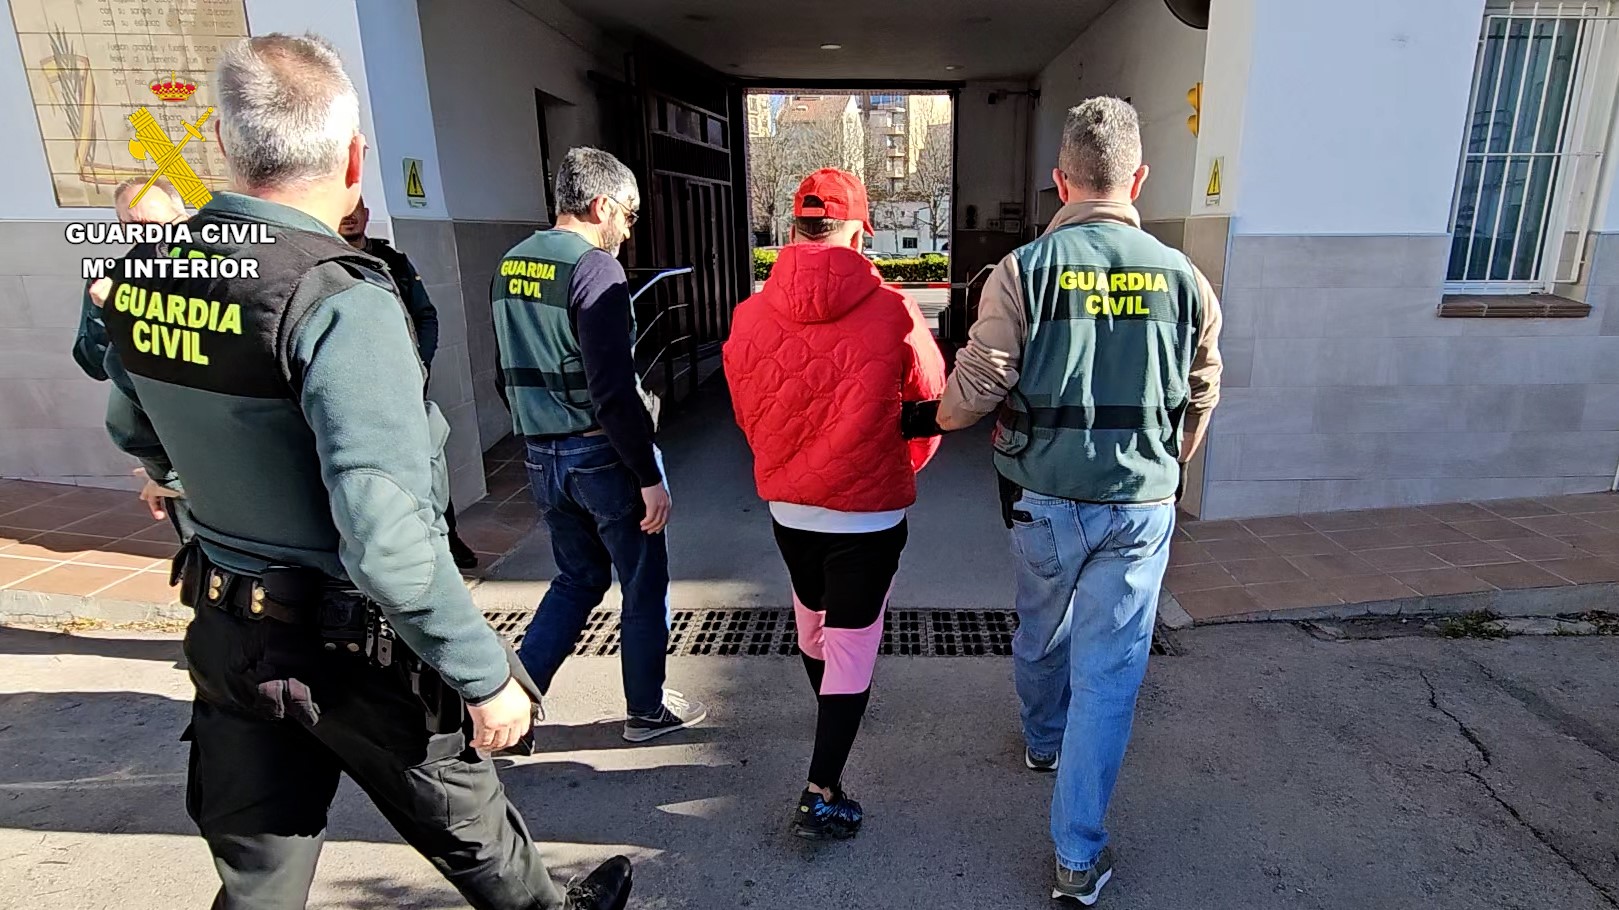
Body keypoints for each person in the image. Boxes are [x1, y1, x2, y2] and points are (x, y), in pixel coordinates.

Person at [97, 33, 630, 910]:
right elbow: (386, 540)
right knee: (482, 846)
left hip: (229, 631)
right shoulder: (336, 296)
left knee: (259, 880)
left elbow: (134, 428)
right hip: (354, 648)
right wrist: (485, 675)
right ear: (353, 157)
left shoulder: (153, 267)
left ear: (225, 144)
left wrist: (204, 485)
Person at [932, 97, 1223, 905]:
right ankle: (1076, 857)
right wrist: (1166, 466)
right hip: (1139, 505)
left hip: (1044, 498)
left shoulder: (1022, 270)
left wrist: (933, 420)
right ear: (1138, 178)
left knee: (1040, 628)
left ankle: (1041, 741)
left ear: (1060, 181)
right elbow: (1202, 389)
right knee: (1109, 676)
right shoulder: (1184, 277)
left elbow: (978, 384)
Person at [723, 169, 945, 840]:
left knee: (813, 621)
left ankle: (831, 717)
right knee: (853, 643)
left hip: (789, 508)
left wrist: (785, 460)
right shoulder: (893, 310)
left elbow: (746, 411)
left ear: (795, 228)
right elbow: (930, 400)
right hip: (869, 512)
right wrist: (899, 459)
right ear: (856, 232)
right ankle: (821, 790)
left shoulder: (749, 313)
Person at [497, 147, 706, 743]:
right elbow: (612, 389)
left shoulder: (511, 263)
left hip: (542, 455)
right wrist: (647, 475)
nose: (630, 230)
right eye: (629, 215)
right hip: (601, 456)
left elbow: (502, 370)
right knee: (643, 582)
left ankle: (511, 710)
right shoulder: (595, 270)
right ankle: (646, 711)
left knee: (577, 579)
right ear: (601, 205)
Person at [339, 195, 479, 570]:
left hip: (407, 384)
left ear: (367, 215)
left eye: (356, 211)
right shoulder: (323, 262)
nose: (350, 217)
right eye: (344, 210)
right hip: (354, 390)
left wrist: (420, 366)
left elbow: (425, 316)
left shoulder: (394, 263)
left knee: (430, 463)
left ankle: (448, 538)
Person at [72, 176, 188, 381]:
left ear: (183, 220)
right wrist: (102, 312)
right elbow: (94, 365)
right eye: (134, 225)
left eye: (155, 225)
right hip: (137, 391)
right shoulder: (109, 278)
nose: (146, 234)